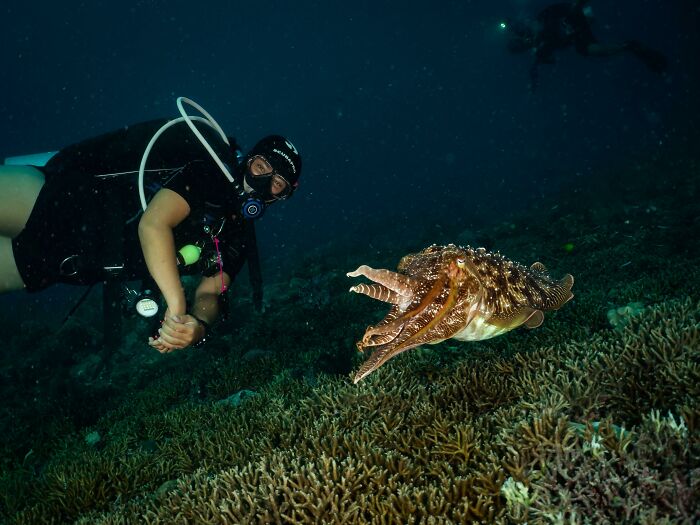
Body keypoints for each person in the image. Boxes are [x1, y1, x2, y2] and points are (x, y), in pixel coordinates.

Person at [0, 103, 302, 353]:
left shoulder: (236, 237)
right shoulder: (209, 174)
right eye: (261, 168)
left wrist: (197, 327)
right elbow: (154, 224)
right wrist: (176, 304)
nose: (262, 184)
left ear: (282, 196)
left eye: (277, 184)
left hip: (57, 263)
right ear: (248, 159)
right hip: (55, 202)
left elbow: (211, 293)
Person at [502, 0, 668, 89]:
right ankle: (628, 46)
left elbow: (556, 12)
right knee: (587, 50)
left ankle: (629, 46)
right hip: (576, 34)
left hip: (569, 19)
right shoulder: (539, 51)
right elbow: (548, 60)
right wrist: (535, 72)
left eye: (519, 43)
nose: (523, 43)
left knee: (574, 15)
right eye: (520, 48)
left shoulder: (537, 24)